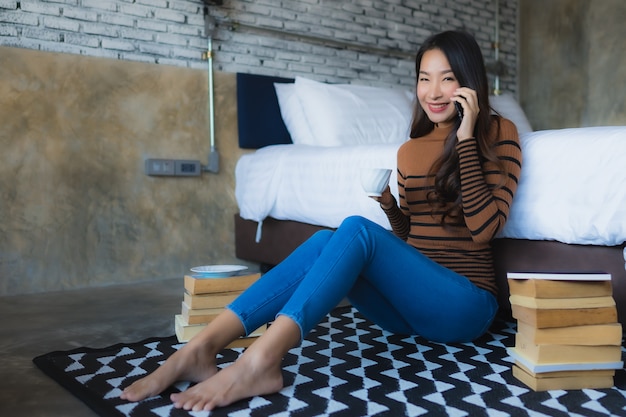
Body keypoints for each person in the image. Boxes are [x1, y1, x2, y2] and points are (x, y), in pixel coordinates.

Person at [120, 30, 522, 412]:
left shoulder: (497, 133)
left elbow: (485, 228)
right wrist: (388, 205)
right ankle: (202, 348)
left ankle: (260, 361)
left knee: (354, 230)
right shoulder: (409, 150)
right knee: (324, 241)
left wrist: (467, 138)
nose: (433, 92)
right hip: (408, 315)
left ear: (468, 83)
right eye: (424, 78)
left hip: (466, 308)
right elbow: (413, 236)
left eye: (447, 79)